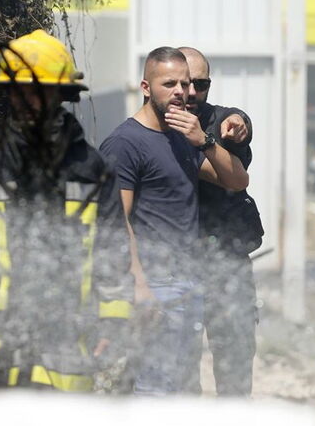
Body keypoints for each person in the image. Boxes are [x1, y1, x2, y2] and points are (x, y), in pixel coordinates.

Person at [0, 29, 132, 392]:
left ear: (61, 95)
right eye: (19, 90)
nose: (28, 101)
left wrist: (113, 320)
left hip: (68, 338)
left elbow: (111, 254)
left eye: (39, 90)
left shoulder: (92, 169)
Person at [99, 46, 249, 395]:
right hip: (154, 285)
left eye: (186, 84)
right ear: (146, 87)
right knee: (154, 393)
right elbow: (116, 221)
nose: (182, 92)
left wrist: (205, 140)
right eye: (170, 84)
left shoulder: (182, 138)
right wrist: (139, 287)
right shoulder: (125, 143)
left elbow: (237, 180)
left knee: (183, 393)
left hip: (187, 283)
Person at [180, 46, 263, 396]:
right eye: (185, 84)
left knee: (234, 366)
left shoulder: (218, 122)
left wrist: (233, 128)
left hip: (226, 261)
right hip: (176, 264)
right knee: (178, 372)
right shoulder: (151, 128)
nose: (192, 93)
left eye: (202, 84)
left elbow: (237, 122)